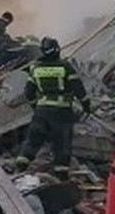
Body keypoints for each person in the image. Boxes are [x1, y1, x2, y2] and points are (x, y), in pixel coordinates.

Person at [13, 38, 89, 171]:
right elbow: (79, 89)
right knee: (62, 144)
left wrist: (36, 107)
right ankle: (61, 174)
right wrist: (86, 106)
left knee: (33, 139)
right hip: (61, 112)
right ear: (57, 50)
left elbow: (29, 92)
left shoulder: (36, 68)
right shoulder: (64, 66)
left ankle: (21, 165)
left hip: (42, 111)